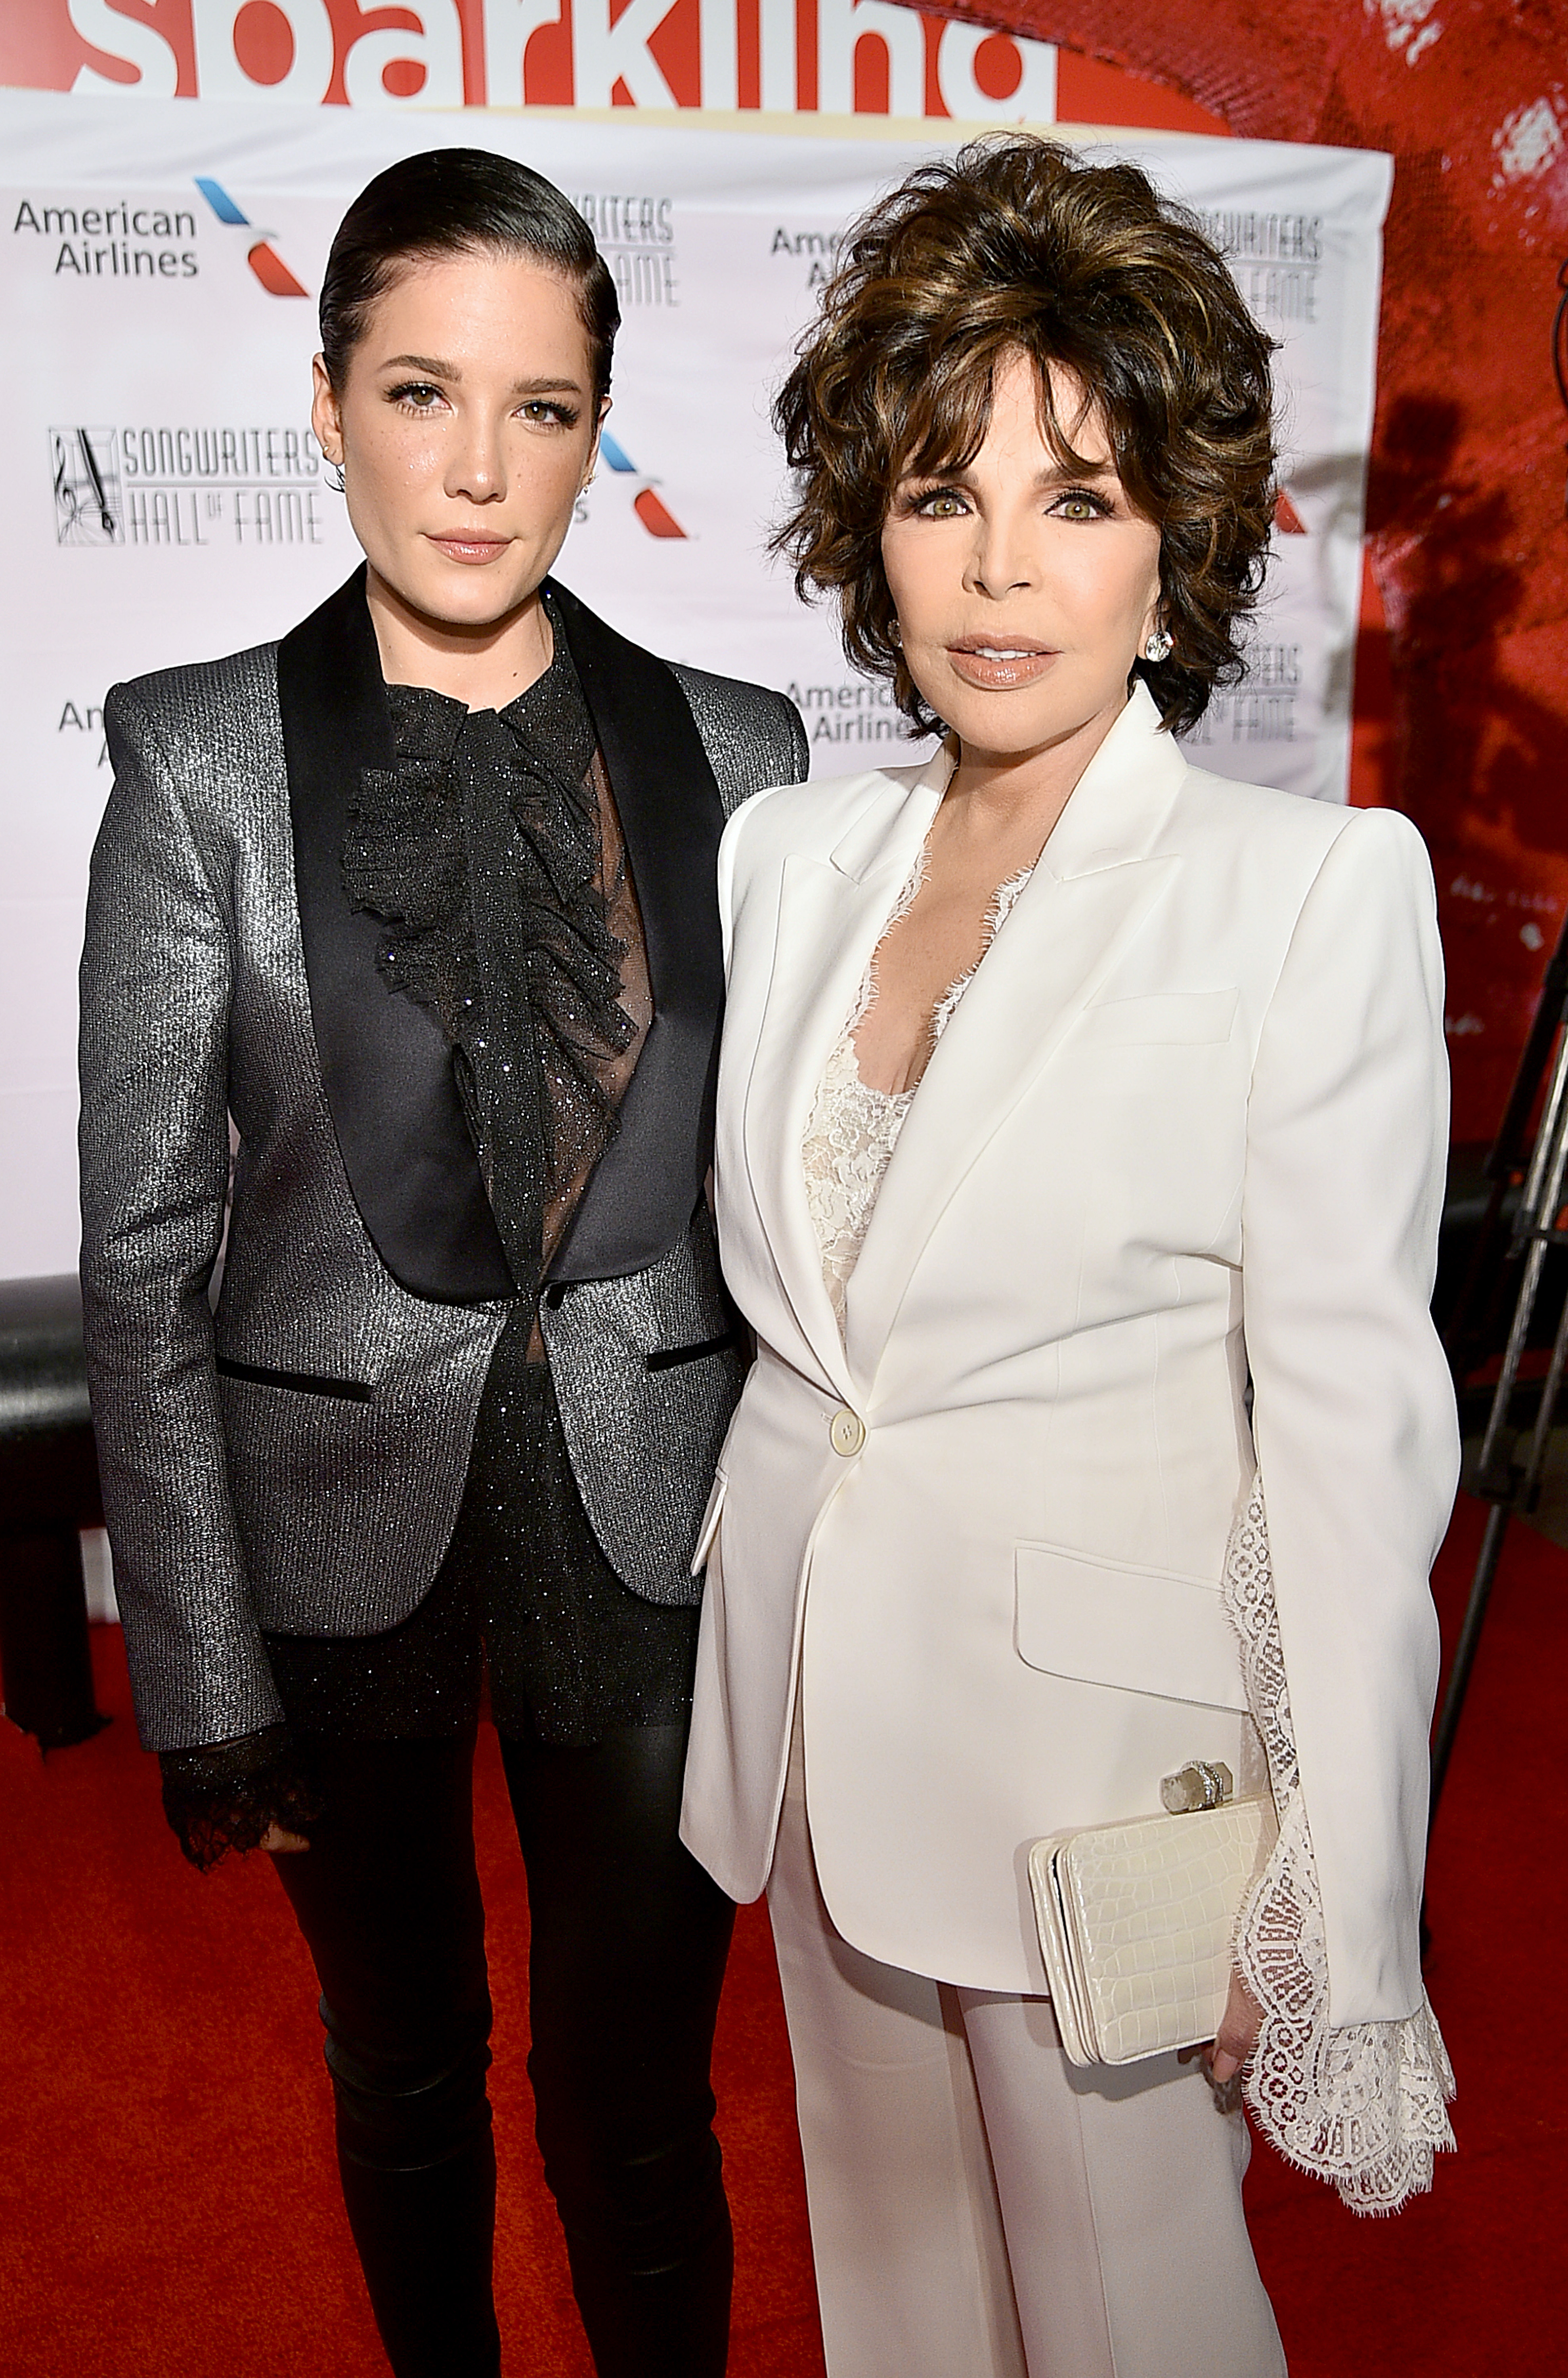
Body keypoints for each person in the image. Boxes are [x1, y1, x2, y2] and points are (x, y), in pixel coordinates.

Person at [679, 137, 1458, 2378]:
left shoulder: (1303, 894)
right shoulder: (788, 858)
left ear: (1174, 541)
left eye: (1077, 497)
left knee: (1140, 2336)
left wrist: (1325, 1899)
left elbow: (1344, 1444)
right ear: (866, 527)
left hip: (1105, 1795)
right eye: (942, 497)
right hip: (817, 1740)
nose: (998, 571)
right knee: (895, 2316)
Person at [78, 147, 806, 2378]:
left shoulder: (746, 753)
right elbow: (144, 1250)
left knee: (636, 2104)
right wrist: (199, 1676)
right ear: (324, 404)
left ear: (600, 428)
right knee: (401, 2076)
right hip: (325, 1539)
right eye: (419, 391)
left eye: (543, 408)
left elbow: (797, 1211)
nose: (479, 470)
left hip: (653, 1517)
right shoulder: (197, 756)